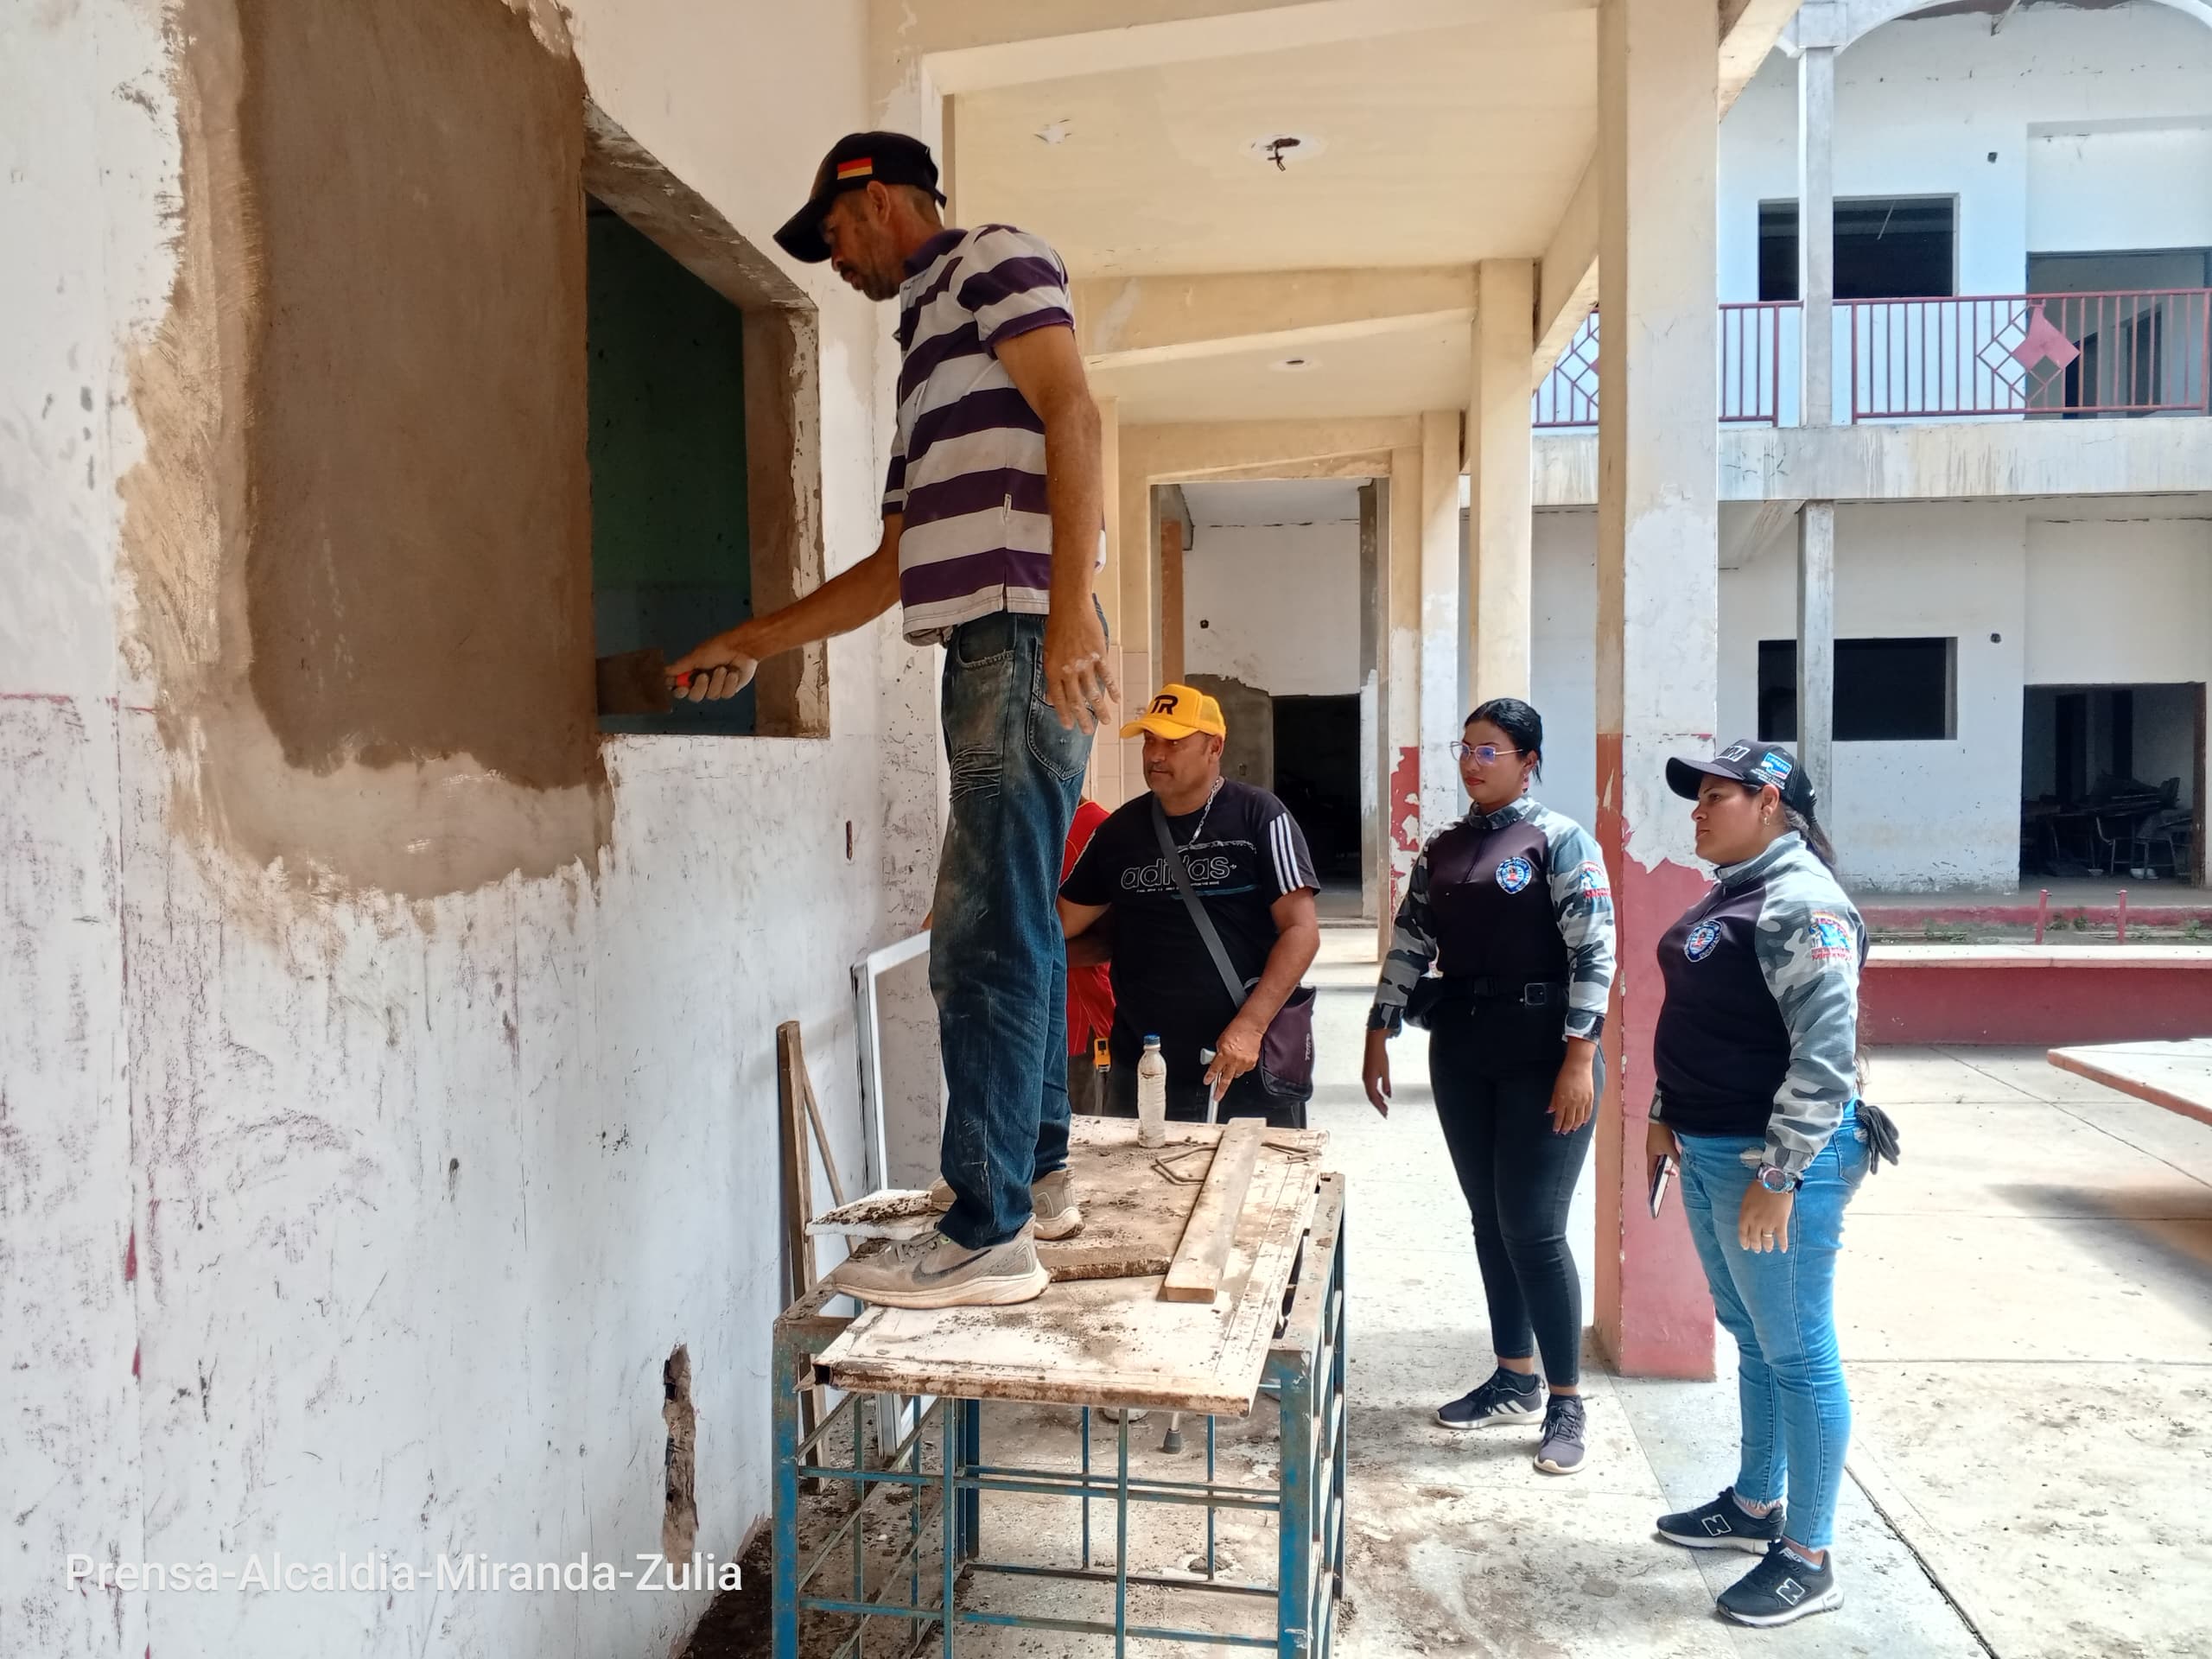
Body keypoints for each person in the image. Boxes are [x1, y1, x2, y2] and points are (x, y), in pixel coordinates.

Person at [671, 132, 1116, 1310]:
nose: (834, 263)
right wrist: (750, 644)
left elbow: (1077, 415)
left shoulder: (991, 261)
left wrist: (1072, 616)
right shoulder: (928, 352)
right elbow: (893, 565)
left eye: (832, 237)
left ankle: (987, 1231)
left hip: (1022, 630)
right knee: (1010, 912)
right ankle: (1039, 1171)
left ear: (870, 198)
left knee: (978, 929)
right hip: (992, 637)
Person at [1644, 740, 1879, 1628]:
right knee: (1751, 1332)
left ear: (1772, 803)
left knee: (1799, 1352)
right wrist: (1666, 1111)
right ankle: (1753, 1506)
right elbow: (1699, 1016)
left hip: (1772, 1158)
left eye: (1717, 796)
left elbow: (1826, 1053)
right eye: (1697, 797)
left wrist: (1781, 1173)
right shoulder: (1735, 889)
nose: (1697, 811)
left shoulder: (1803, 902)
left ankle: (1809, 1555)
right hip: (1711, 1145)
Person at [1362, 698, 1617, 1477]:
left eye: (1491, 749)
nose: (1473, 762)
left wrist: (1581, 1056)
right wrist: (1379, 1029)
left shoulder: (1560, 839)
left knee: (1535, 1228)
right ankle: (1515, 1376)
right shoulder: (1441, 848)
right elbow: (1410, 939)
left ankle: (1567, 1396)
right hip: (1464, 1048)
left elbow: (1595, 951)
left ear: (1529, 759)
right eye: (1465, 748)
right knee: (1488, 1220)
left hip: (1548, 1052)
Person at [1058, 685, 1321, 1130]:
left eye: (1173, 742)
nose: (1156, 754)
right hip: (1144, 1066)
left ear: (1214, 747)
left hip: (1240, 1062)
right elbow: (1062, 925)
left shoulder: (1260, 816)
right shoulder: (1118, 833)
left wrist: (1251, 1027)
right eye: (1149, 740)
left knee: (1258, 1194)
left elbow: (1302, 932)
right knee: (1142, 1195)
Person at [1062, 793, 1116, 1115]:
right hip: (1017, 1023)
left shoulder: (1098, 828)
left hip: (1079, 1032)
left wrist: (1024, 953)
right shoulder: (1021, 822)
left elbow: (1106, 943)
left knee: (1076, 1147)